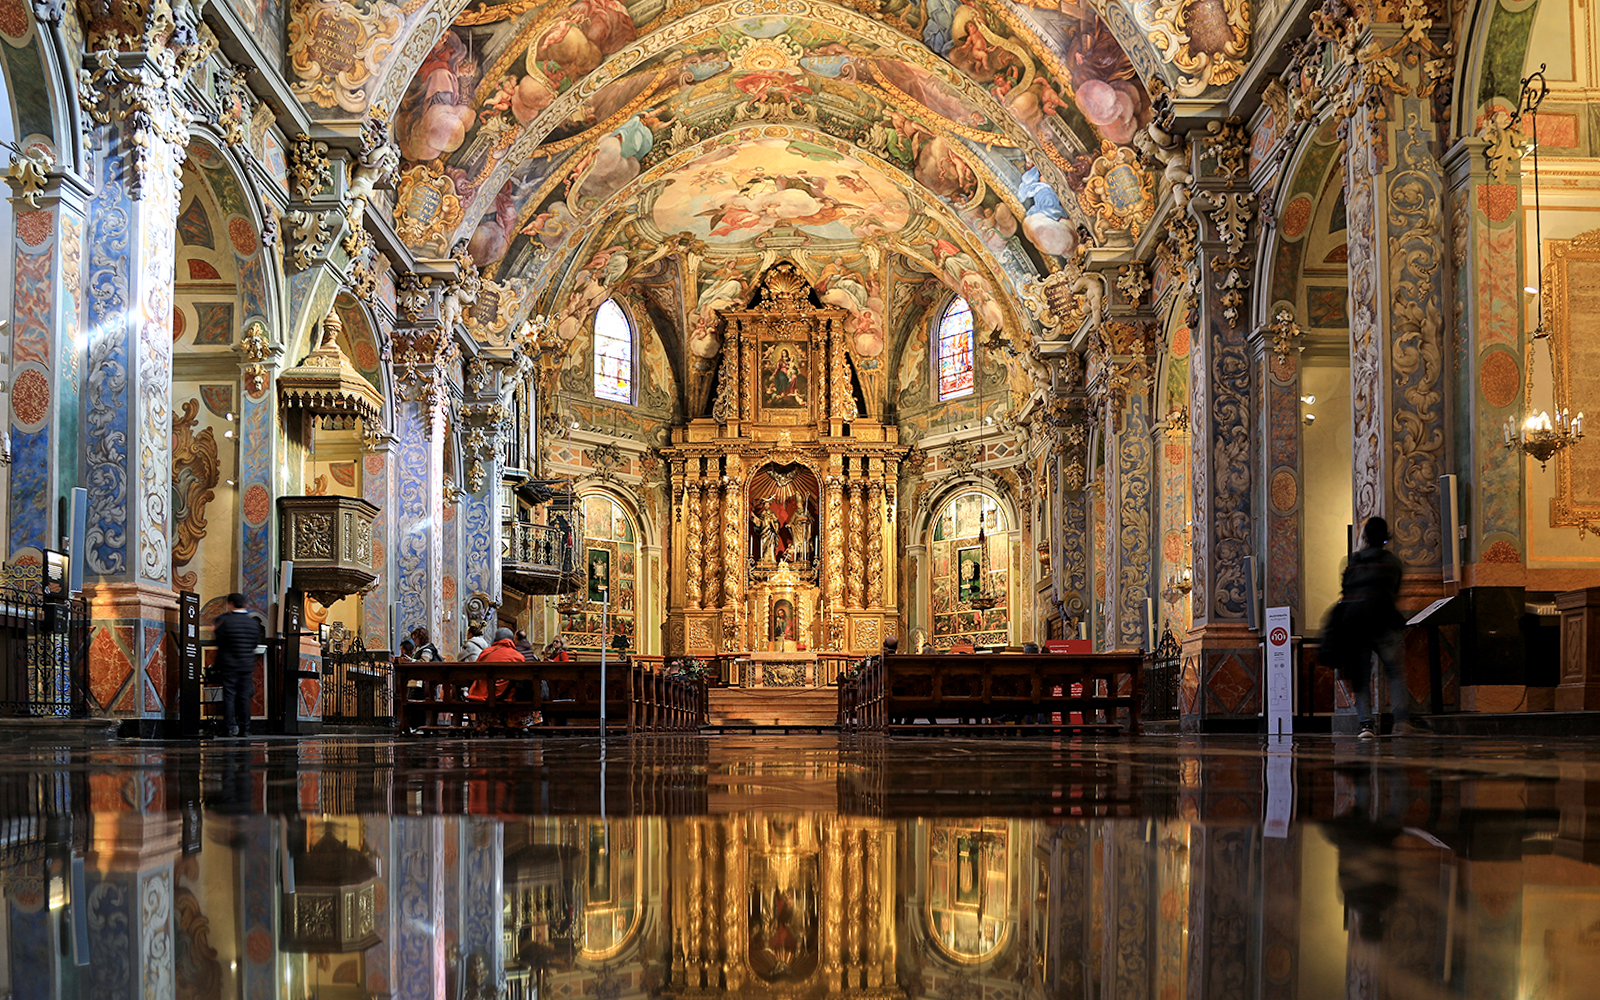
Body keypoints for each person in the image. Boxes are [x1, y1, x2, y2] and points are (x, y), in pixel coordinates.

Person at [1339, 516, 1418, 738]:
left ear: (1364, 536)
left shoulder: (1353, 561)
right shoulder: (1393, 562)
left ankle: (1366, 725)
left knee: (1362, 678)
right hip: (1386, 625)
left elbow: (1345, 590)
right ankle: (1401, 722)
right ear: (1386, 537)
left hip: (1358, 628)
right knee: (1395, 674)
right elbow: (1395, 591)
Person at [212, 593, 264, 738]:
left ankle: (228, 729)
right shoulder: (253, 623)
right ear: (244, 605)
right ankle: (245, 729)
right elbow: (254, 644)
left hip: (229, 664)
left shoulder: (226, 622)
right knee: (244, 697)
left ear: (230, 604)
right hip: (246, 665)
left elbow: (220, 643)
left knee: (229, 696)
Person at [467, 628, 524, 702]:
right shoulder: (518, 656)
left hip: (482, 695)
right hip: (506, 697)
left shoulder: (485, 652)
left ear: (495, 639)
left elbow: (475, 672)